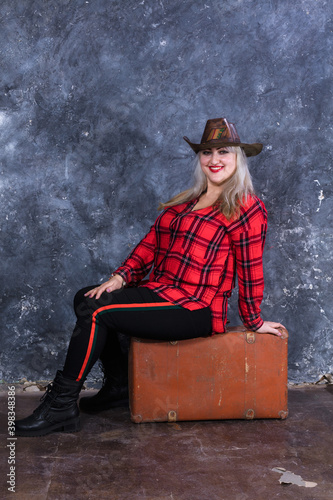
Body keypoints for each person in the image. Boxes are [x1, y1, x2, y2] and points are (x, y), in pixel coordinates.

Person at [15, 117, 285, 437]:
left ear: (238, 158)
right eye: (206, 153)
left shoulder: (247, 208)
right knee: (87, 297)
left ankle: (61, 406)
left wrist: (253, 320)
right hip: (163, 291)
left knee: (97, 311)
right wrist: (120, 277)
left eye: (223, 152)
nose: (214, 160)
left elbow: (251, 269)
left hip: (197, 308)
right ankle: (118, 387)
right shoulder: (187, 201)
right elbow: (151, 245)